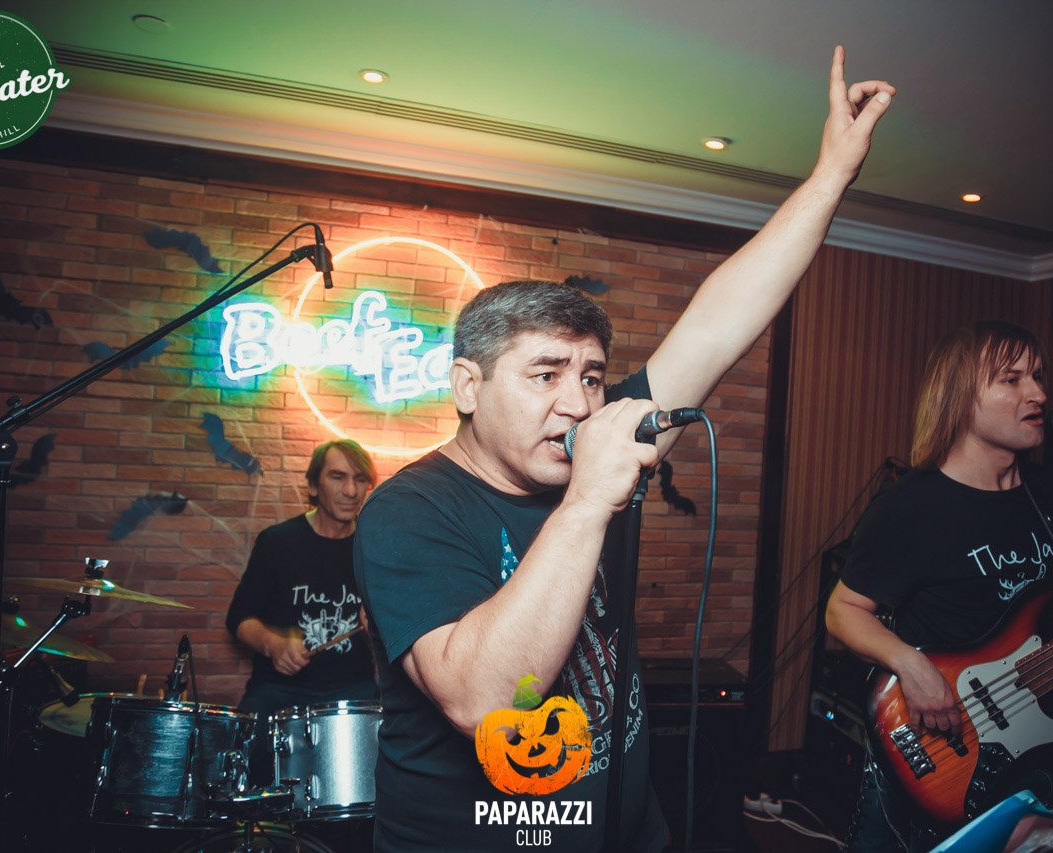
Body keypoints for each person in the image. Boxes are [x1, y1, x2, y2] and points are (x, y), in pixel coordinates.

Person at [354, 46, 896, 852]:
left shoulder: (598, 446)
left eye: (591, 376)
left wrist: (831, 176)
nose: (580, 404)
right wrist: (587, 502)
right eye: (545, 374)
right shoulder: (408, 511)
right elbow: (486, 700)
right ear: (468, 385)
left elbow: (717, 324)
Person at [825, 320, 1053, 851]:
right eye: (1011, 379)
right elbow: (843, 609)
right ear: (961, 398)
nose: (1039, 394)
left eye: (1038, 376)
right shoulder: (911, 505)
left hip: (1043, 736)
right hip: (942, 745)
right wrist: (912, 666)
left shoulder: (1047, 494)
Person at [226, 439, 378, 784]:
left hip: (352, 690)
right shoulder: (278, 542)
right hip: (279, 690)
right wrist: (274, 645)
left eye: (360, 479)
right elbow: (239, 618)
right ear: (312, 485)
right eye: (338, 477)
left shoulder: (373, 547)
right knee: (248, 765)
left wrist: (378, 628)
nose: (351, 490)